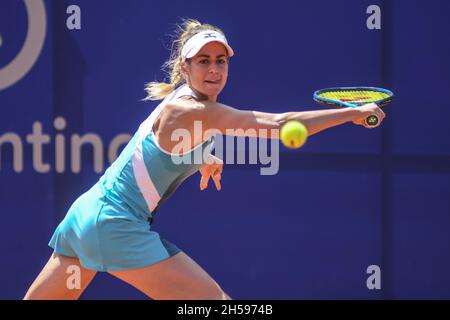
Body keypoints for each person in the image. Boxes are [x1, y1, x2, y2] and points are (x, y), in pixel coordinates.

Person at [24, 19, 386, 300]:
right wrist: (350, 114)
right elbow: (277, 125)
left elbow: (161, 147)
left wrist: (200, 157)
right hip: (115, 226)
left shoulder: (182, 101)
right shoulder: (194, 110)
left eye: (221, 60)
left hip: (85, 217)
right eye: (203, 61)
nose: (214, 69)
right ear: (186, 67)